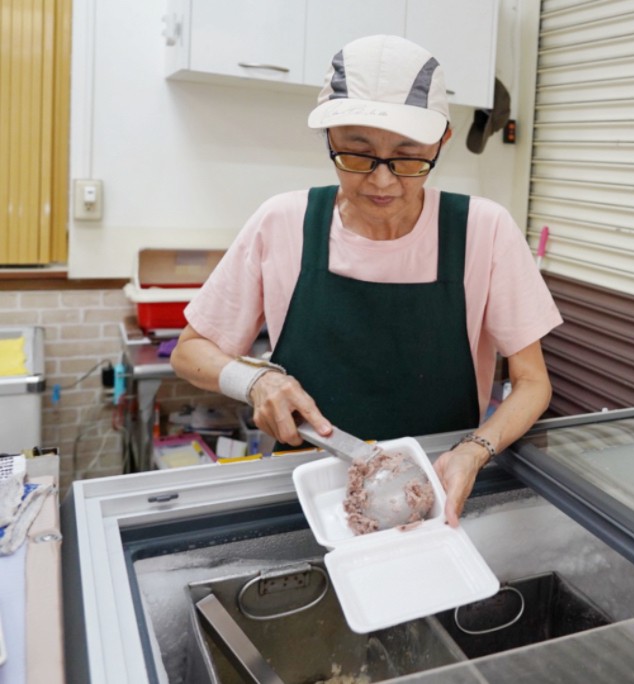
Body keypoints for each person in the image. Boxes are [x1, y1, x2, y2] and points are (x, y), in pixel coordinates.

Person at [170, 35, 562, 527]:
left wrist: (475, 449)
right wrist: (255, 380)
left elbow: (532, 384)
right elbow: (190, 350)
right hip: (307, 501)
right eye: (357, 154)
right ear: (329, 138)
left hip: (440, 493)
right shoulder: (284, 222)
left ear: (442, 140)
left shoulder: (483, 230)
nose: (382, 182)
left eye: (407, 156)